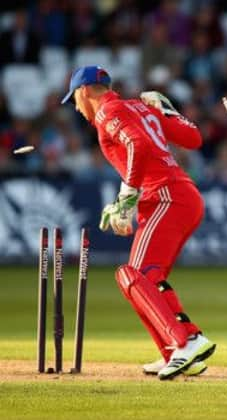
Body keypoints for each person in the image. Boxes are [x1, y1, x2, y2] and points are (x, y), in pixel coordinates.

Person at [61, 65, 215, 380]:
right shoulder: (139, 107)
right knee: (141, 279)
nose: (76, 108)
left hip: (166, 196)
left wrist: (127, 196)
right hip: (178, 196)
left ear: (84, 91)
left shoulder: (108, 111)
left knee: (133, 273)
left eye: (75, 99)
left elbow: (137, 145)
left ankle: (186, 341)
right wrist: (168, 110)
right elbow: (194, 137)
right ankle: (175, 351)